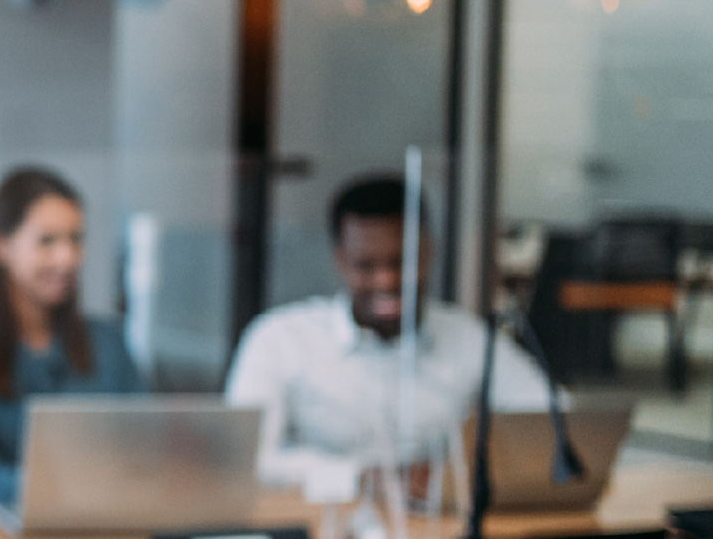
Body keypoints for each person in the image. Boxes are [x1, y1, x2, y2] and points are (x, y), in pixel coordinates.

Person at [226, 174, 559, 487]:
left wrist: (470, 469)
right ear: (340, 260)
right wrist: (361, 478)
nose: (386, 281)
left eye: (401, 262)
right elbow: (244, 460)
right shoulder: (280, 339)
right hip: (322, 529)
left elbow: (556, 421)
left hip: (433, 529)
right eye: (366, 265)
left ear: (428, 253)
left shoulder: (469, 338)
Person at [0, 168, 142, 505]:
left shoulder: (108, 344)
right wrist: (82, 492)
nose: (67, 258)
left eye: (75, 239)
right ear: (0, 246)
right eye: (47, 241)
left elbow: (146, 457)